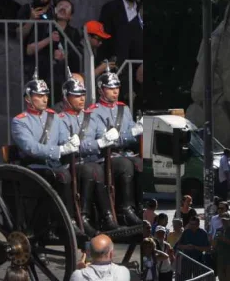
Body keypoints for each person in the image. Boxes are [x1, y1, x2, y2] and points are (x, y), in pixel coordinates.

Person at [11, 72, 87, 234]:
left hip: (54, 166)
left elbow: (62, 139)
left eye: (46, 95)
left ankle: (80, 217)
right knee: (62, 176)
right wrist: (60, 150)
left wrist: (70, 142)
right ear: (28, 98)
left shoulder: (54, 117)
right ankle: (65, 222)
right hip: (33, 167)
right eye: (39, 96)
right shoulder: (20, 121)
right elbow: (31, 147)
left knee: (83, 172)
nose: (45, 99)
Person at [57, 73, 120, 234]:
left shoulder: (91, 118)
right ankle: (83, 217)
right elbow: (69, 145)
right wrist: (98, 144)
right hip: (71, 162)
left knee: (104, 167)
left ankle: (108, 215)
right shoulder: (60, 119)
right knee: (92, 170)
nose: (81, 99)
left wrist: (108, 138)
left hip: (92, 160)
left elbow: (101, 136)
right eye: (76, 95)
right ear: (66, 97)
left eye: (83, 95)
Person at [90, 66, 144, 226]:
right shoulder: (94, 111)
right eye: (110, 88)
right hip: (105, 156)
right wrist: (130, 134)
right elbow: (106, 140)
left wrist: (138, 131)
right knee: (125, 165)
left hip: (125, 153)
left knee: (141, 164)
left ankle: (139, 206)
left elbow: (132, 138)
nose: (115, 91)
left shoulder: (124, 108)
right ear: (101, 89)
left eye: (117, 87)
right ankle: (125, 209)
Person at [98, 0, 144, 68]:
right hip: (116, 67)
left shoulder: (141, 10)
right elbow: (103, 38)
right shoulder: (109, 8)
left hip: (139, 67)